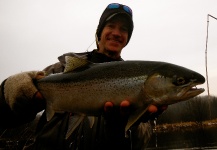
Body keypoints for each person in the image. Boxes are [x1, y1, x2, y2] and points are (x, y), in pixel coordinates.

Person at [0, 3, 167, 150]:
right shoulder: (62, 70)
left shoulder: (139, 84)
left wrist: (127, 125)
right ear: (100, 32)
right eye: (111, 26)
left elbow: (140, 143)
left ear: (127, 38)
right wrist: (14, 93)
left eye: (124, 29)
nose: (117, 33)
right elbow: (6, 117)